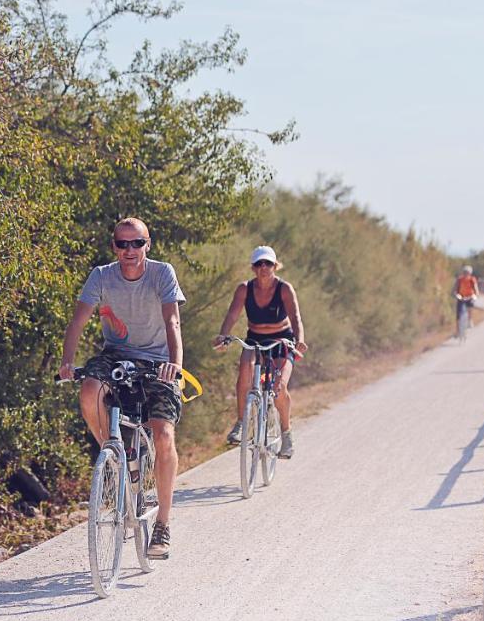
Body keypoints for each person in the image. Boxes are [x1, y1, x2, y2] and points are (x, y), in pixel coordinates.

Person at [60, 217, 184, 559]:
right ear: (114, 246)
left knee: (163, 435)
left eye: (137, 243)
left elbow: (172, 320)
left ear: (148, 244)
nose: (130, 250)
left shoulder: (162, 273)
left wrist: (175, 363)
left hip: (158, 361)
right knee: (89, 391)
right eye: (123, 243)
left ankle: (162, 525)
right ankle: (115, 457)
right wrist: (67, 360)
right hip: (115, 355)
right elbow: (79, 320)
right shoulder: (102, 275)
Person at [212, 245, 308, 459]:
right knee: (245, 369)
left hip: (282, 340)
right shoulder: (244, 289)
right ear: (253, 268)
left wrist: (300, 340)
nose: (263, 267)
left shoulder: (284, 288)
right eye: (258, 264)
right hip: (255, 338)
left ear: (275, 265)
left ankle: (286, 434)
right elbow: (232, 314)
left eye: (268, 263)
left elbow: (295, 317)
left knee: (279, 386)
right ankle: (240, 423)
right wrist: (223, 335)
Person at [454, 265, 479, 335]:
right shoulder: (459, 279)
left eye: (467, 272)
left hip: (470, 296)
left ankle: (470, 320)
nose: (466, 274)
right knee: (458, 315)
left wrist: (475, 295)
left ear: (470, 273)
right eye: (464, 272)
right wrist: (456, 294)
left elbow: (476, 289)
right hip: (461, 297)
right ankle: (457, 331)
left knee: (470, 306)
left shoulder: (472, 279)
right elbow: (455, 289)